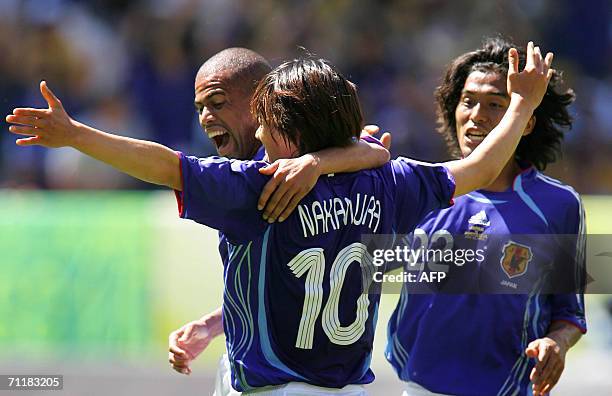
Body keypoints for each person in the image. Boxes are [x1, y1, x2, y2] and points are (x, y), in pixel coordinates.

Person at [7, 43, 552, 394]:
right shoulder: (391, 180)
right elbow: (479, 168)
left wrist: (76, 135)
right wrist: (523, 105)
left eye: (266, 121)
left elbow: (162, 164)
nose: (259, 132)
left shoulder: (260, 188)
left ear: (290, 129)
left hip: (273, 387)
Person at [169, 47, 391, 390]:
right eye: (200, 108)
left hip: (289, 379)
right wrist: (214, 324)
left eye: (217, 102)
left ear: (262, 99)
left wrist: (76, 136)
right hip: (256, 367)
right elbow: (284, 288)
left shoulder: (262, 177)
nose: (205, 118)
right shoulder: (275, 168)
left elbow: (162, 166)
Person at [385, 37, 585, 396]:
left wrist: (557, 342)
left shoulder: (558, 206)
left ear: (524, 121)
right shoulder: (421, 190)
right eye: (468, 101)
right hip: (417, 389)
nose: (477, 115)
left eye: (495, 104)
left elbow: (569, 312)